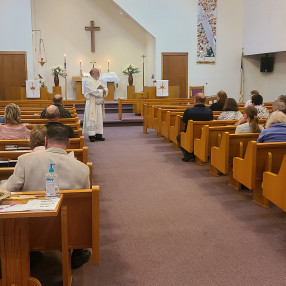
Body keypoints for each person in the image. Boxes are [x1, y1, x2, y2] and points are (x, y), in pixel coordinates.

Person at [0, 124, 91, 269]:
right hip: (68, 233)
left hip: (31, 232)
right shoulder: (83, 169)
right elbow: (86, 207)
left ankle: (27, 253)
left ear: (46, 141)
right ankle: (78, 252)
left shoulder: (25, 160)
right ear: (68, 143)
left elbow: (8, 190)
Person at [177, 93, 213, 162]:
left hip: (190, 134)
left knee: (179, 137)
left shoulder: (189, 111)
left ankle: (189, 154)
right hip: (204, 135)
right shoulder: (209, 111)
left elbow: (184, 120)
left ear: (195, 100)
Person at [83, 68, 108, 142]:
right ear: (93, 73)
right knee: (92, 119)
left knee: (99, 119)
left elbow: (105, 89)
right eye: (97, 72)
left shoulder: (99, 81)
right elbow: (92, 91)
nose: (99, 74)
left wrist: (104, 90)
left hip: (98, 104)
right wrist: (101, 91)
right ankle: (91, 135)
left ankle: (98, 134)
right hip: (91, 103)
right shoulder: (89, 81)